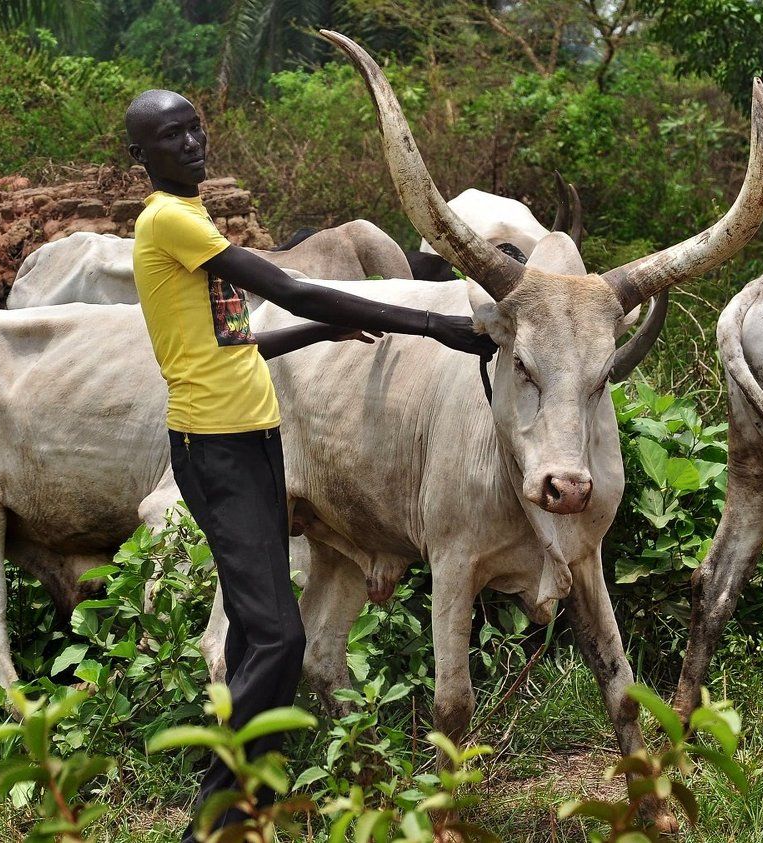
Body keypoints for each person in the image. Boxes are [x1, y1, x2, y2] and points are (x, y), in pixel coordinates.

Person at [125, 88, 495, 841]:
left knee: (252, 635)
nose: (192, 142)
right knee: (279, 636)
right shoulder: (167, 220)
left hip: (255, 436)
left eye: (195, 127)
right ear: (143, 158)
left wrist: (319, 337)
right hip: (215, 448)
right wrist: (430, 324)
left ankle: (245, 803)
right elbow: (288, 288)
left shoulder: (194, 218)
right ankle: (210, 816)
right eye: (171, 136)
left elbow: (237, 342)